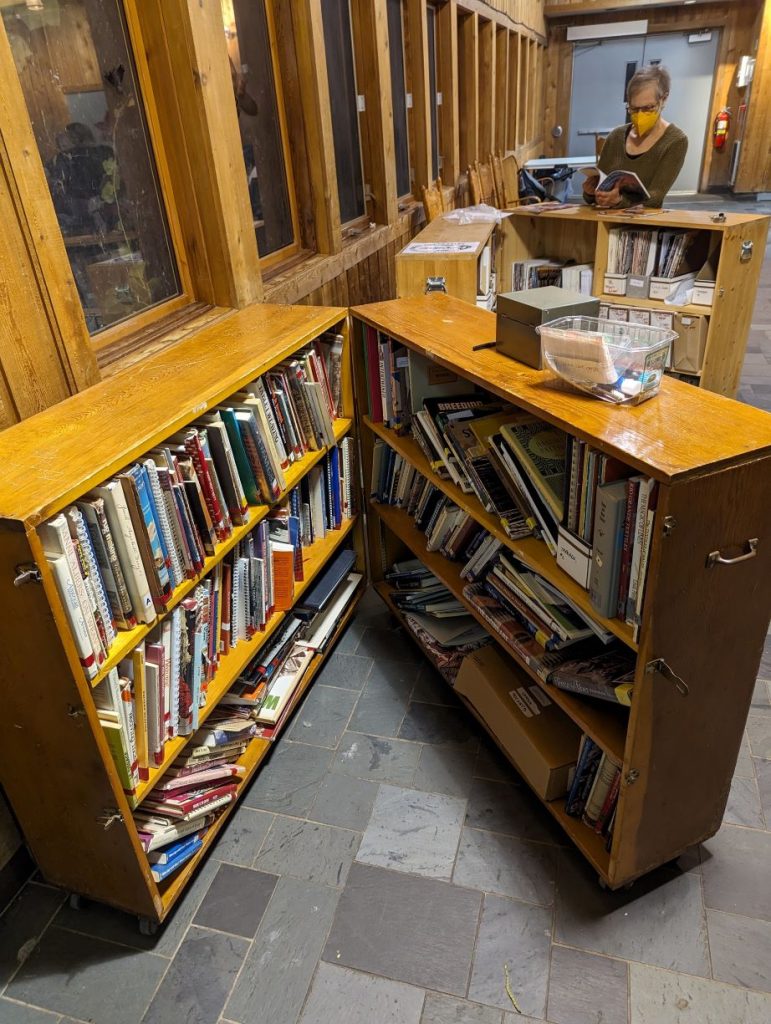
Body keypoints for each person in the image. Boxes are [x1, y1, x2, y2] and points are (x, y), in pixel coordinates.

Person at [583, 65, 687, 210]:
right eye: (634, 109)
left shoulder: (675, 141)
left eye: (648, 108)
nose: (640, 115)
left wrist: (620, 201)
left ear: (664, 99)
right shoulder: (616, 136)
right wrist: (590, 193)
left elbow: (655, 198)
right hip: (605, 218)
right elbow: (600, 186)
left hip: (642, 224)